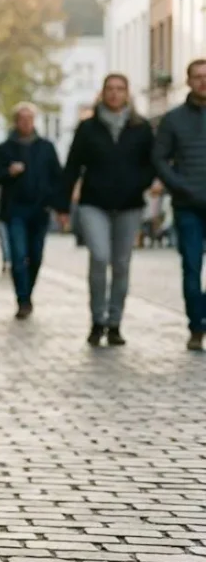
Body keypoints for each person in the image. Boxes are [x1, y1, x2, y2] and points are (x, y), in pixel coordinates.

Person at [56, 73, 156, 347]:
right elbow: (72, 166)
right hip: (94, 203)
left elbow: (152, 163)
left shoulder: (141, 128)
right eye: (109, 89)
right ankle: (97, 319)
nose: (114, 93)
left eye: (120, 89)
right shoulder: (88, 128)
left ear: (127, 93)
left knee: (121, 264)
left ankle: (114, 323)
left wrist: (140, 183)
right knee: (100, 257)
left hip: (129, 204)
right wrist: (62, 205)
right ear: (102, 93)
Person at [0, 102, 66, 319]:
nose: (26, 123)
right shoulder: (5, 148)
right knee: (18, 256)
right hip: (15, 210)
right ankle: (22, 299)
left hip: (40, 210)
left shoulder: (46, 147)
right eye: (22, 119)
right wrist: (8, 172)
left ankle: (28, 292)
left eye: (29, 119)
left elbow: (57, 177)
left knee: (36, 256)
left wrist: (58, 204)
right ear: (15, 122)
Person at [151, 58, 206, 351]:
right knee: (192, 268)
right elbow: (159, 158)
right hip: (188, 206)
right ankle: (196, 326)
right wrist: (179, 185)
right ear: (188, 81)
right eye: (198, 77)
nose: (203, 82)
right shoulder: (173, 120)